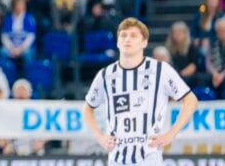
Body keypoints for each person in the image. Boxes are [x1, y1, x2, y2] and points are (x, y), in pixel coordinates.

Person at [82, 18, 198, 165]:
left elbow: (191, 100)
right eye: (123, 35)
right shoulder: (105, 75)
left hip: (148, 159)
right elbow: (87, 108)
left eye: (133, 35)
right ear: (117, 42)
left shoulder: (160, 70)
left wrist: (171, 133)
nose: (127, 39)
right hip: (117, 160)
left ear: (144, 42)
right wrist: (99, 136)